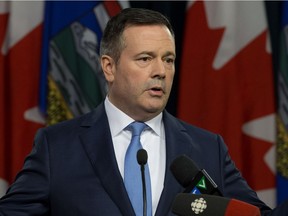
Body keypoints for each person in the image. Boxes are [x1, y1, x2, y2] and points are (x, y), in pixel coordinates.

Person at [0, 7, 287, 216]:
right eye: (145, 58)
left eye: (169, 59)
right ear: (109, 67)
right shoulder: (57, 147)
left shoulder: (207, 148)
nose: (161, 71)